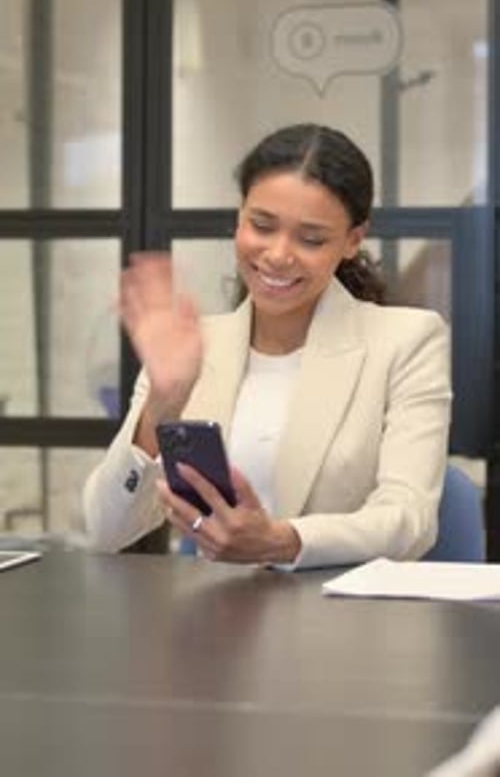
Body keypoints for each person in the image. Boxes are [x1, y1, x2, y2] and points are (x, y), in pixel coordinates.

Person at [83, 123, 452, 569]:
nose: (278, 254)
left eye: (311, 239)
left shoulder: (407, 341)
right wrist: (163, 402)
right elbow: (106, 531)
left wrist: (283, 541)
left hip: (346, 622)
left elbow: (409, 519)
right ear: (239, 217)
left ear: (353, 241)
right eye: (261, 225)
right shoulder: (192, 345)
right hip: (215, 621)